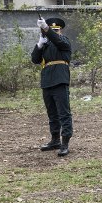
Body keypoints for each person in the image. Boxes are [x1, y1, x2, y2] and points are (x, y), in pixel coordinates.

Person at [31, 17, 73, 157]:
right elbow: (35, 59)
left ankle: (65, 142)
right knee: (52, 113)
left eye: (56, 30)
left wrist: (47, 30)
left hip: (60, 80)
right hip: (47, 81)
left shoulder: (64, 41)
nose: (54, 32)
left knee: (64, 113)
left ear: (60, 30)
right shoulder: (46, 44)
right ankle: (55, 140)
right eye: (52, 29)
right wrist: (39, 44)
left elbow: (57, 40)